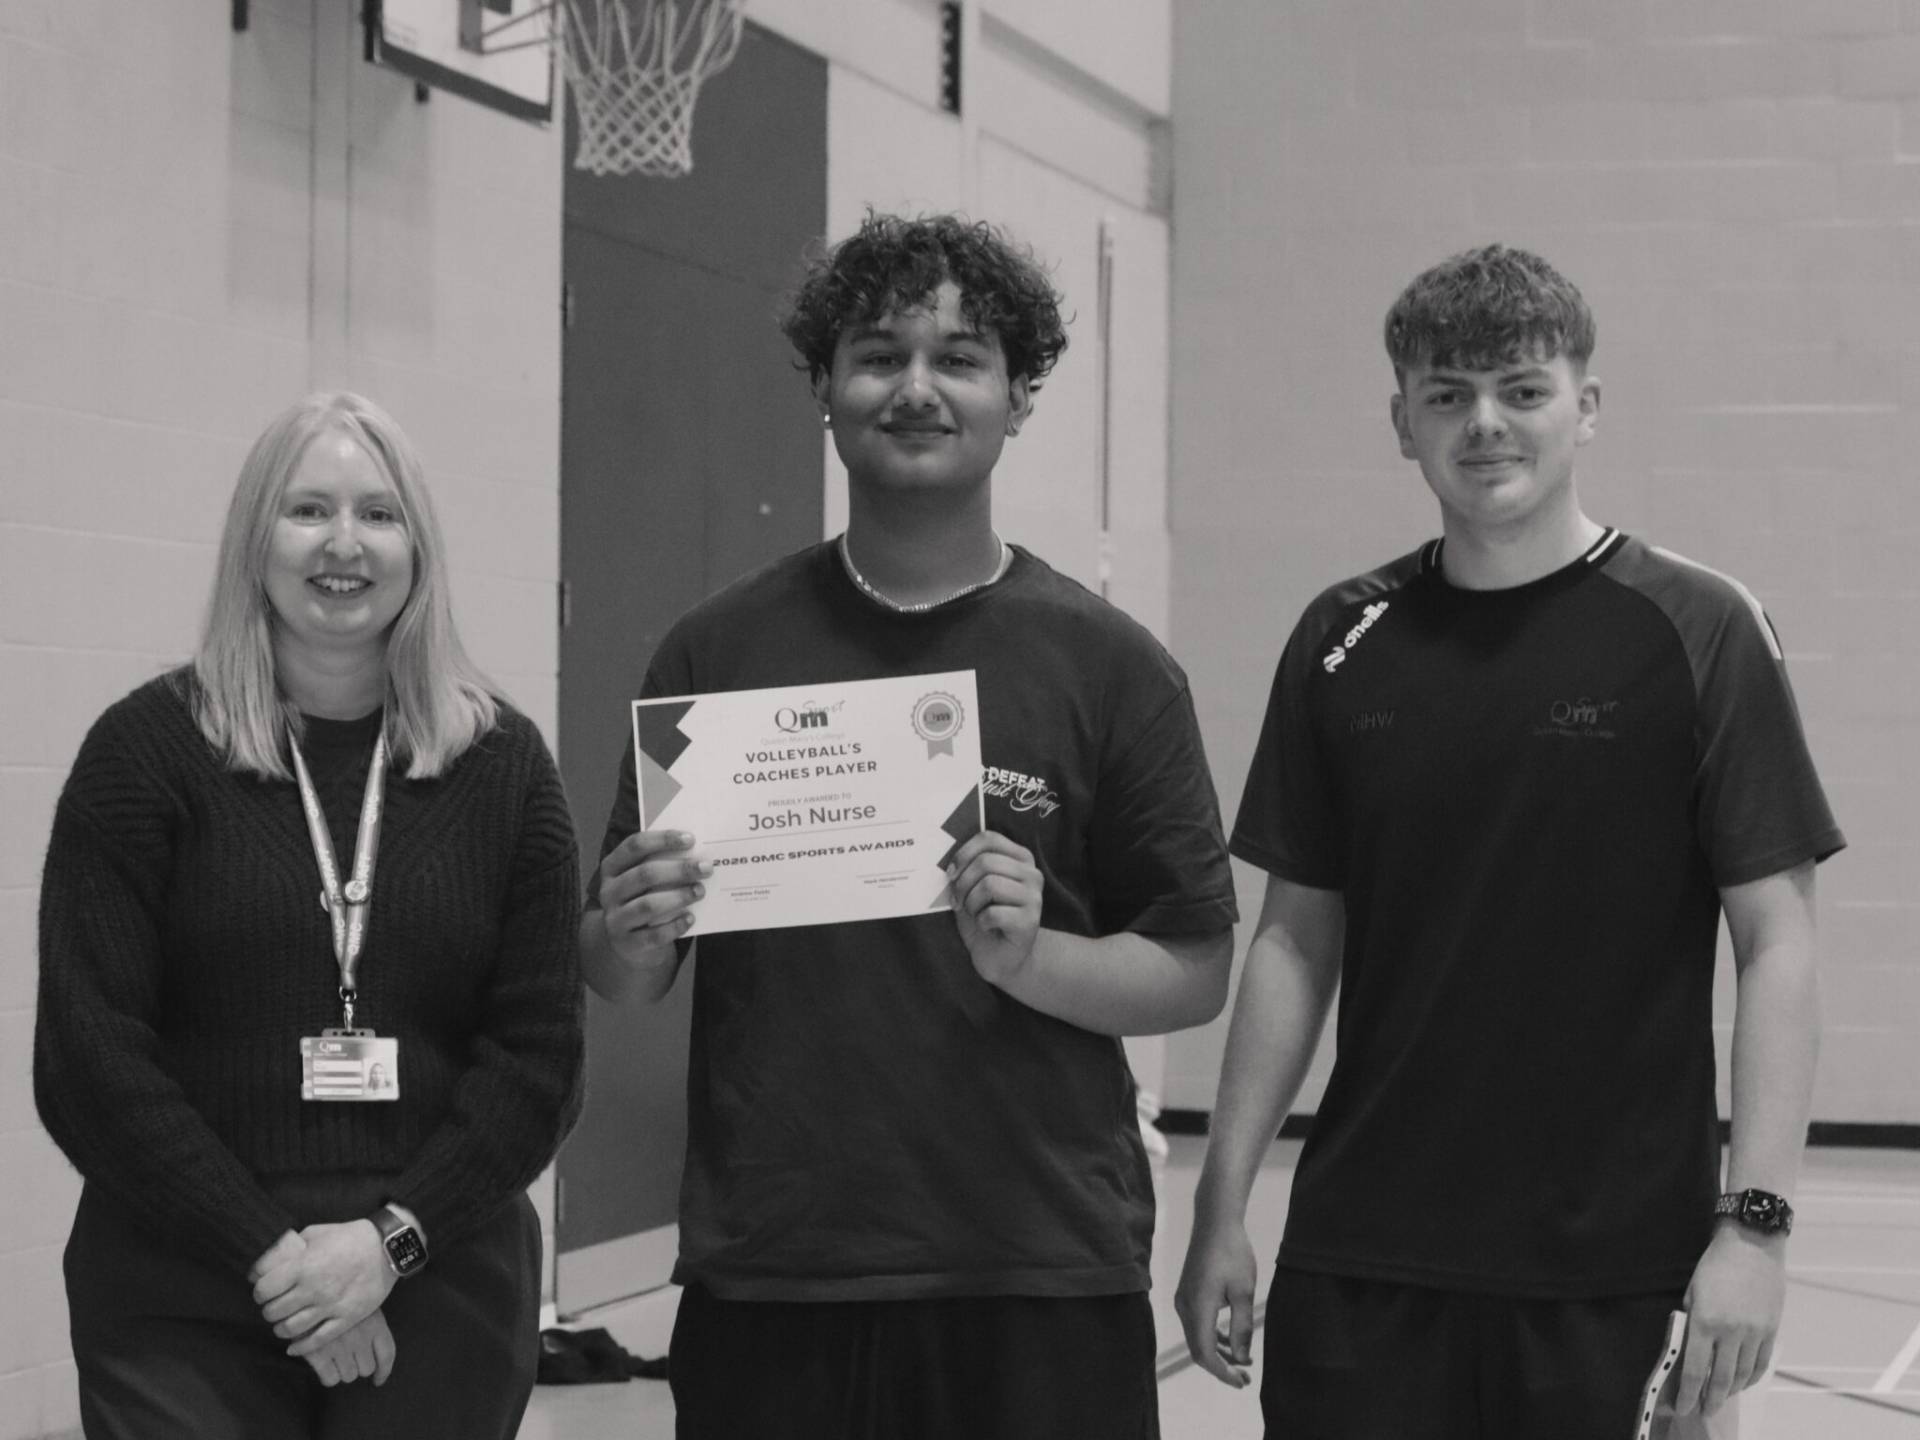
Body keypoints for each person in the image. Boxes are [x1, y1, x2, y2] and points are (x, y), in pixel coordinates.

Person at [583, 212, 1240, 1440]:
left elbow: (1199, 966)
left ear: (1017, 395)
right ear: (825, 390)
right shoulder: (718, 651)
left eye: (963, 358)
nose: (918, 389)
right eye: (880, 356)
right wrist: (623, 929)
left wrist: (1034, 959)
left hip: (1038, 1270)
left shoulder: (1110, 667)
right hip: (776, 1270)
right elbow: (628, 974)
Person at [1175, 244, 1844, 1438]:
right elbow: (1292, 939)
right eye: (1448, 395)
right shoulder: (1342, 633)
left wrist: (1754, 1228)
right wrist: (1221, 1204)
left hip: (1616, 1273)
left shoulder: (1702, 628)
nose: (1485, 425)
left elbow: (1778, 940)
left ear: (1584, 407)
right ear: (1402, 421)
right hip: (1365, 1258)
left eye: (1522, 390)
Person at [35, 392, 585, 1439]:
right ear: (256, 538)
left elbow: (538, 1057)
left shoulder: (503, 769)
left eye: (380, 514)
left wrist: (385, 1248)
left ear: (419, 547)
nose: (345, 544)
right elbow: (89, 1056)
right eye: (308, 511)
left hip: (439, 1270)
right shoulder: (143, 756)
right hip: (181, 1280)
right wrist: (279, 1262)